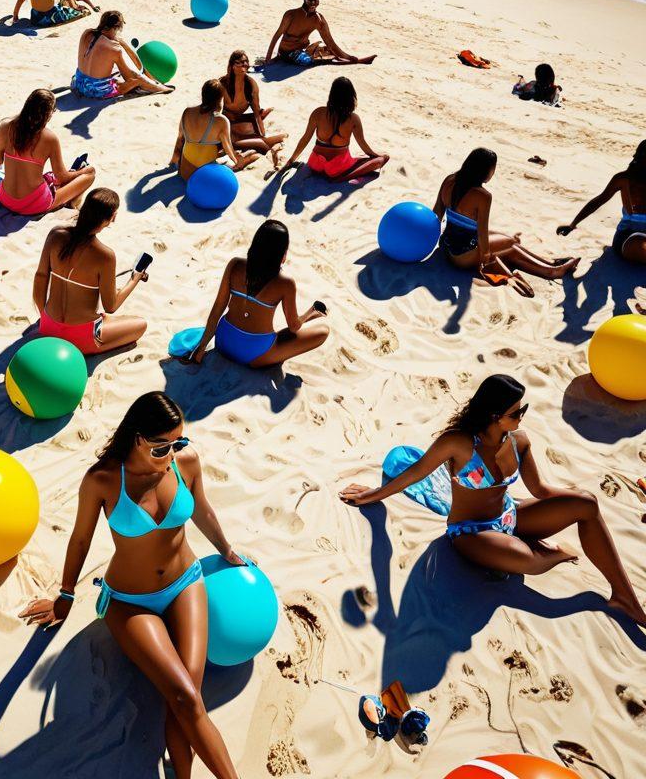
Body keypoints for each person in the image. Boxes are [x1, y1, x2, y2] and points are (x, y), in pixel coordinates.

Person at [20, 392, 246, 779]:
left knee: (188, 695)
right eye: (162, 448)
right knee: (182, 696)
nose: (172, 454)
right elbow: (79, 539)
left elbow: (203, 508)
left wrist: (226, 549)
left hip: (186, 584)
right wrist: (66, 596)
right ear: (137, 438)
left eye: (179, 442)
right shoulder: (104, 479)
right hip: (130, 601)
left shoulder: (185, 463)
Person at [339, 374, 646, 627]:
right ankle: (551, 554)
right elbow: (416, 473)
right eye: (516, 413)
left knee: (588, 504)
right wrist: (370, 496)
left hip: (510, 517)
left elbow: (540, 490)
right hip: (470, 532)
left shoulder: (519, 441)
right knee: (529, 563)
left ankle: (624, 596)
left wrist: (579, 500)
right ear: (495, 416)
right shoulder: (458, 443)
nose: (521, 417)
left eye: (522, 410)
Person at [434, 148, 579, 293]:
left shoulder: (449, 180)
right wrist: (488, 260)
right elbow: (482, 234)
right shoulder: (483, 196)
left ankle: (550, 263)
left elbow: (437, 214)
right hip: (463, 257)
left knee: (509, 241)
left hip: (447, 247)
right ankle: (552, 272)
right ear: (485, 170)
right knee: (511, 245)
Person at [188, 219, 329, 368]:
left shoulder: (235, 264)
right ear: (282, 253)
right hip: (254, 355)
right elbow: (293, 327)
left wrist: (202, 346)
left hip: (223, 342)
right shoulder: (286, 283)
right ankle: (312, 313)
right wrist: (307, 315)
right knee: (323, 331)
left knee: (278, 335)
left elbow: (217, 309)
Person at [33, 188, 148, 354]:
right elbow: (111, 306)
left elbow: (40, 276)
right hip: (80, 337)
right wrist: (135, 279)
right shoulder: (105, 255)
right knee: (140, 324)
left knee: (103, 317)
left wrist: (43, 316)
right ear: (112, 217)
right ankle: (94, 347)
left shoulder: (55, 235)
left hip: (49, 326)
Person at [0, 88, 97, 215]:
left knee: (49, 177)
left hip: (5, 198)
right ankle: (72, 201)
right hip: (33, 205)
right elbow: (62, 176)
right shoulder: (50, 138)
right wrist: (83, 172)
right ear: (49, 114)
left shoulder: (5, 127)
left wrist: (9, 177)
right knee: (89, 175)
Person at [279, 76, 388, 182]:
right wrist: (377, 156)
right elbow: (363, 145)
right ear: (351, 97)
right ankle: (343, 177)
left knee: (362, 157)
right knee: (382, 158)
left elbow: (305, 139)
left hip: (315, 163)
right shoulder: (353, 118)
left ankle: (334, 173)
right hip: (337, 167)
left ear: (332, 95)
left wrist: (291, 159)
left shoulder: (318, 112)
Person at [557, 141, 646, 264]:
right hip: (628, 237)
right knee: (636, 244)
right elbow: (599, 201)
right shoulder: (623, 179)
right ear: (639, 158)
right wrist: (572, 225)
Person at [72, 11, 174, 99]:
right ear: (117, 28)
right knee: (138, 80)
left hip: (79, 82)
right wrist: (123, 44)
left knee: (112, 73)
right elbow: (130, 77)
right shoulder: (114, 48)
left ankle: (155, 83)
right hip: (96, 91)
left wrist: (120, 42)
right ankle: (163, 89)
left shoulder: (87, 33)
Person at [264, 0, 376, 67]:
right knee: (310, 60)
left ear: (319, 1)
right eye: (309, 0)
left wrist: (350, 56)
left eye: (315, 0)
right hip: (287, 52)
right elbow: (277, 36)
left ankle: (354, 60)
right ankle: (356, 61)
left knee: (327, 49)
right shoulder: (290, 15)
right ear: (304, 0)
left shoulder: (319, 20)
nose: (312, 3)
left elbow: (330, 42)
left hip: (303, 49)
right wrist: (268, 58)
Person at [172, 80, 258, 181]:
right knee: (251, 156)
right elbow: (229, 150)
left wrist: (173, 161)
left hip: (185, 172)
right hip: (204, 176)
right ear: (219, 99)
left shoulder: (187, 112)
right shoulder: (221, 120)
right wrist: (237, 161)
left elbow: (180, 139)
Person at [219, 50, 286, 169]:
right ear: (232, 66)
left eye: (246, 62)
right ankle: (276, 140)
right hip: (226, 122)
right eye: (239, 62)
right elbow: (215, 110)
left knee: (254, 143)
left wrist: (262, 133)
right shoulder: (223, 83)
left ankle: (270, 141)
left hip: (241, 121)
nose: (244, 65)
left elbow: (255, 112)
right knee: (233, 143)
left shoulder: (250, 84)